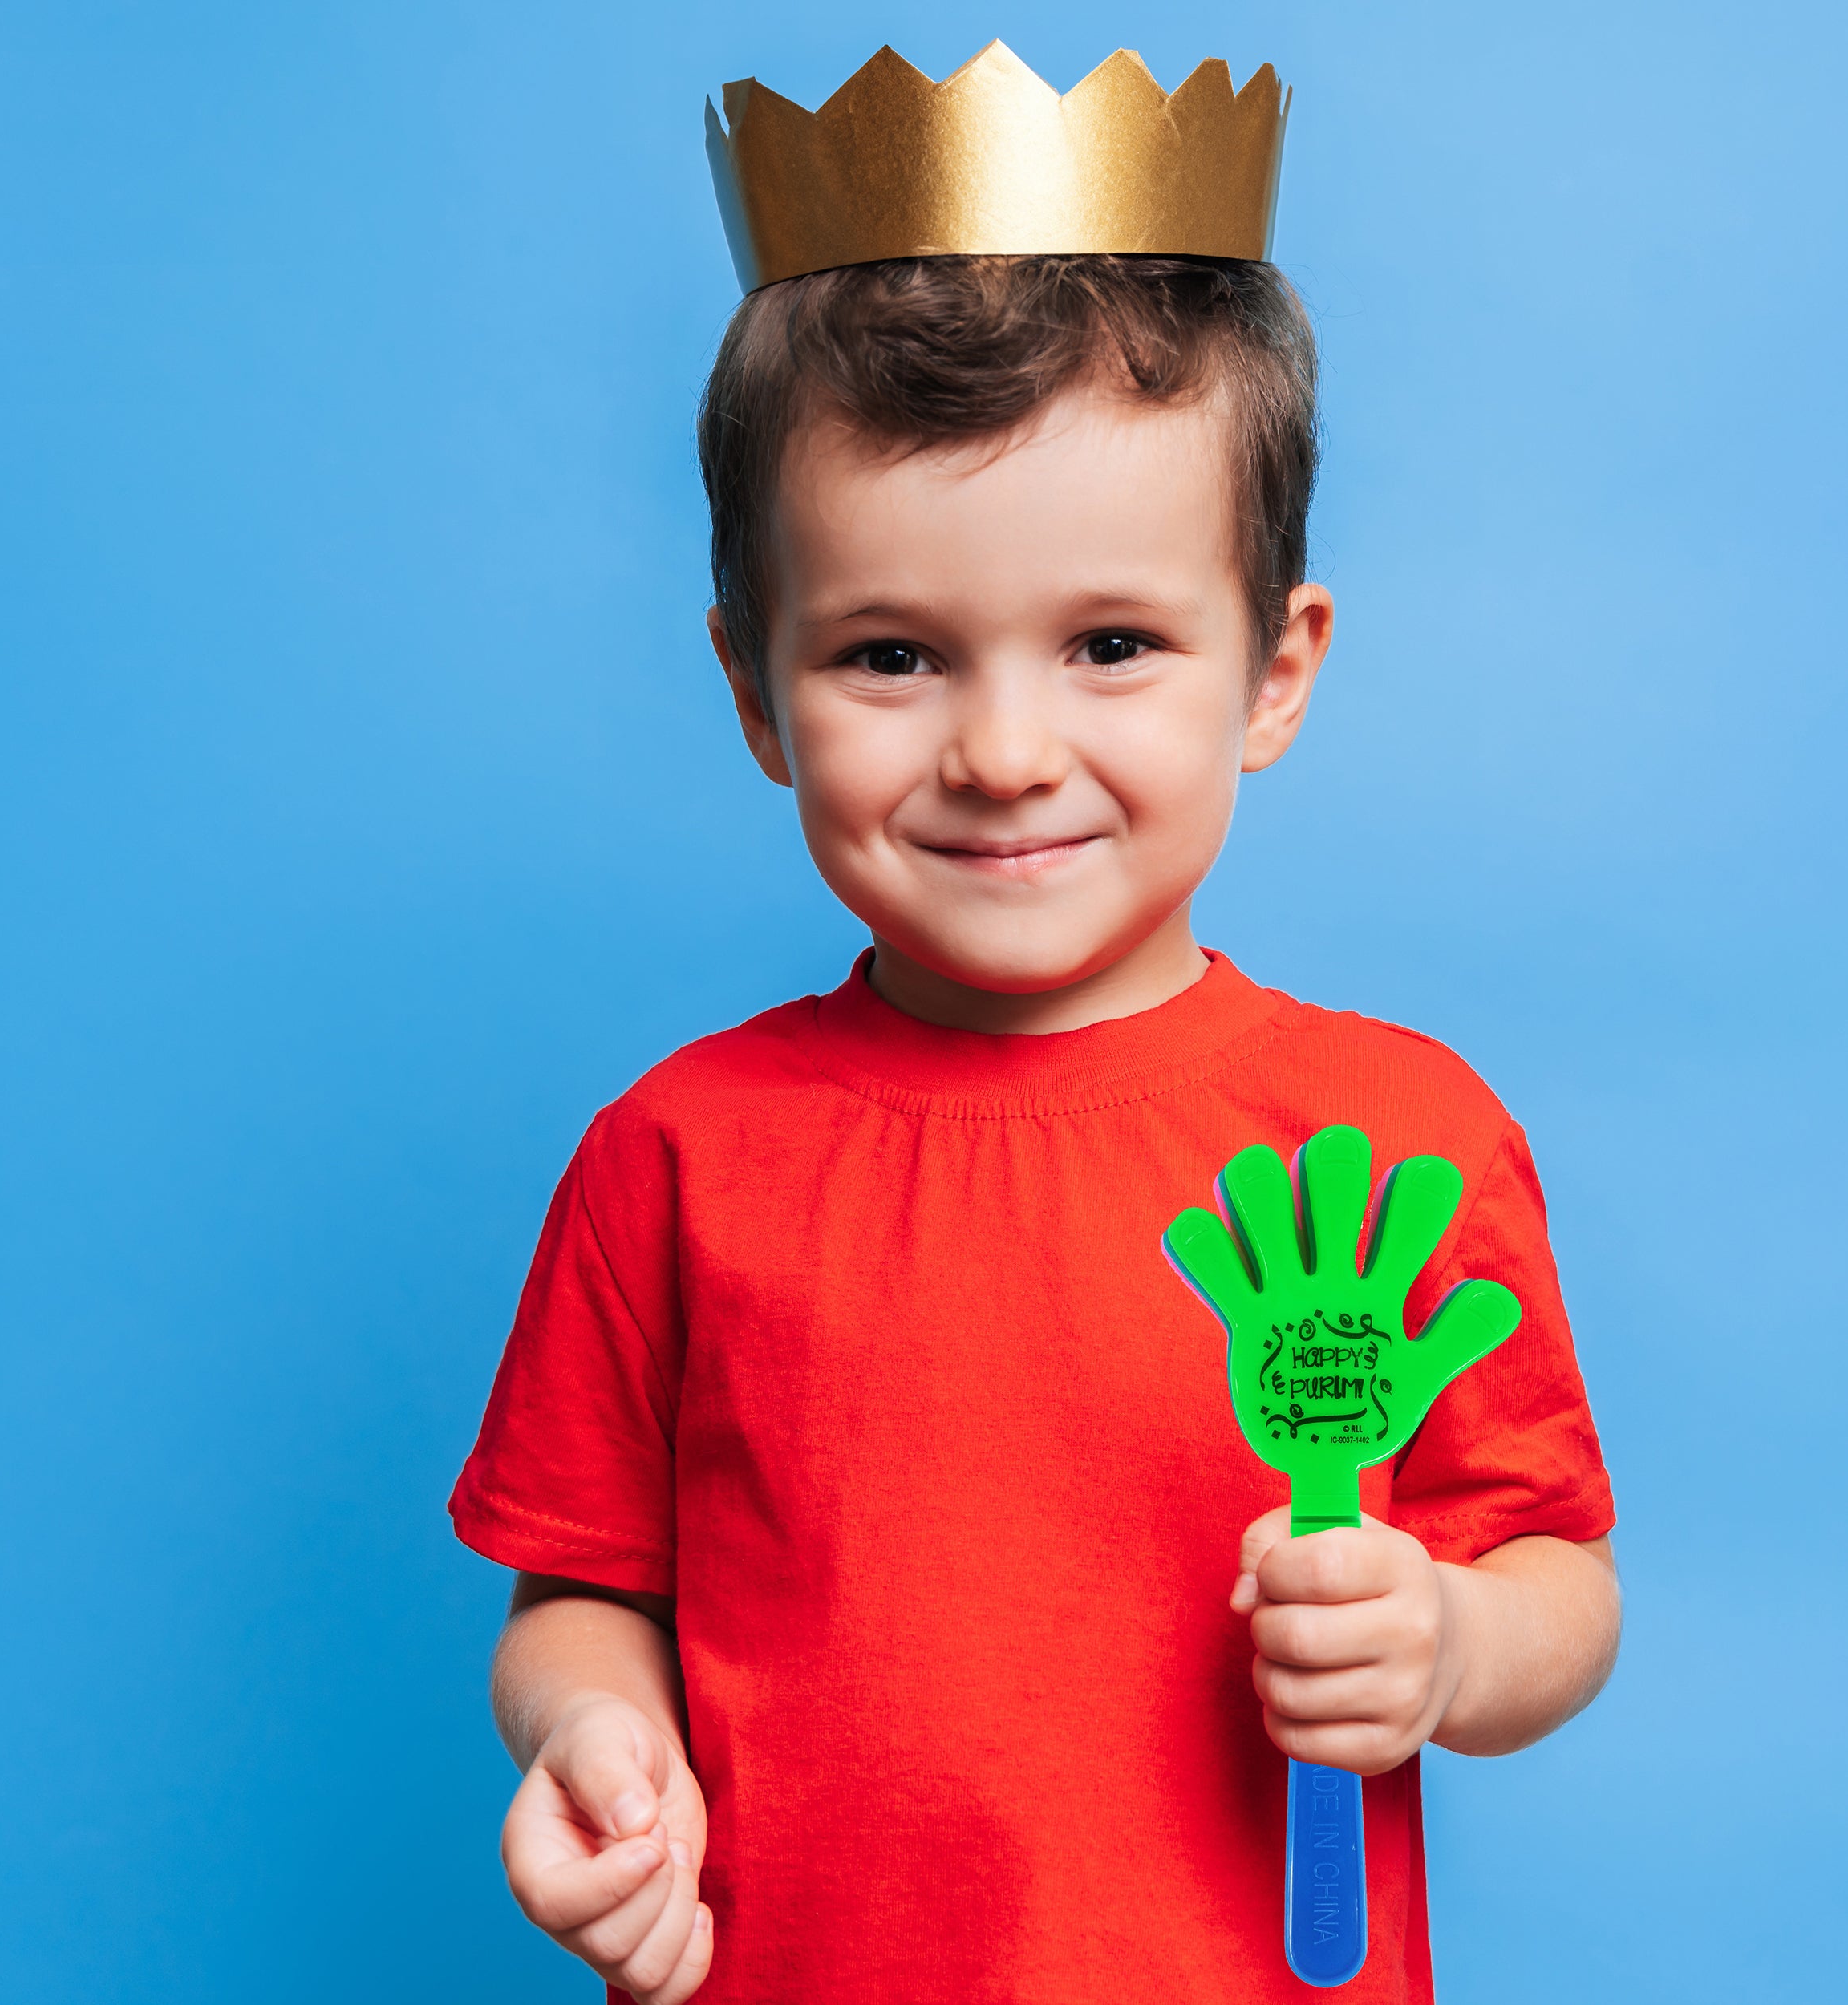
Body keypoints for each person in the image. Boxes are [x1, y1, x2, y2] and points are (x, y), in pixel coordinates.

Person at [451, 43, 1619, 2005]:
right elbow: (578, 1593)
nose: (1003, 751)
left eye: (1109, 644)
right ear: (756, 688)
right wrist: (594, 1736)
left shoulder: (1392, 1143)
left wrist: (1443, 1643)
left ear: (1271, 668)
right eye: (890, 654)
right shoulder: (676, 1153)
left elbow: (1554, 1582)